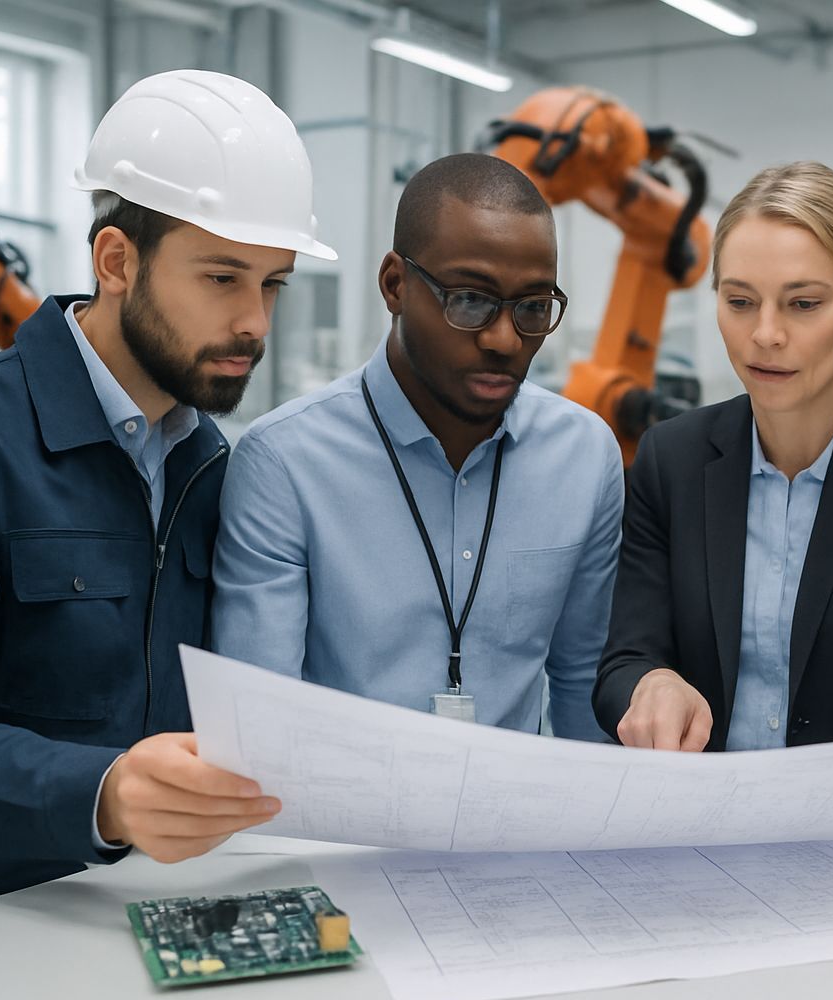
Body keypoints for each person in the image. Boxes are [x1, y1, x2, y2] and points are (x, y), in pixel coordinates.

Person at [0, 69, 336, 932]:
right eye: (223, 278)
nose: (256, 324)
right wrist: (103, 792)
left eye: (272, 284)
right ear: (117, 261)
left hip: (144, 913)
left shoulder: (207, 462)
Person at [212, 153, 621, 741]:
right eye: (471, 301)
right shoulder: (286, 464)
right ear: (395, 285)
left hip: (517, 828)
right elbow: (263, 720)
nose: (505, 339)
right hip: (339, 827)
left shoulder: (584, 457)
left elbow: (584, 680)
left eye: (533, 308)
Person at [594, 161, 833, 751]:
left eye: (803, 304)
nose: (766, 334)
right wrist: (651, 684)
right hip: (695, 821)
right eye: (740, 301)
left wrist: (795, 803)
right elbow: (625, 661)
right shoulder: (669, 460)